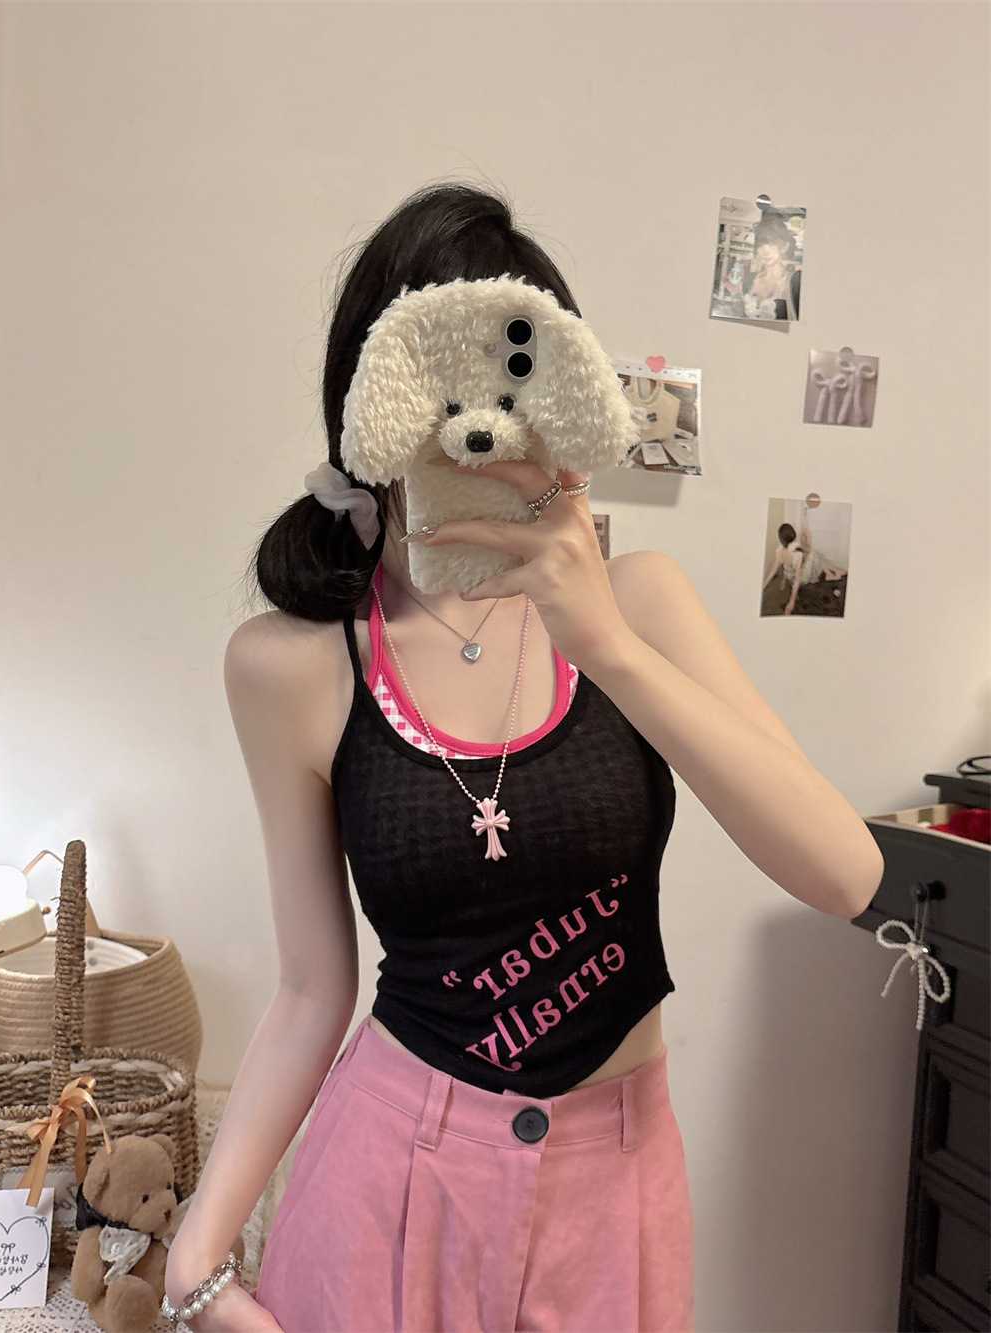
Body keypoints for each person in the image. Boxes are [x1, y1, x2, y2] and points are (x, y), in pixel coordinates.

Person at [163, 182, 884, 1333]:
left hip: (616, 1189)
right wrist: (196, 1254)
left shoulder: (640, 604)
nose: (479, 425)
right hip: (392, 1180)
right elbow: (311, 988)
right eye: (437, 383)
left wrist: (607, 646)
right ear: (370, 404)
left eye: (519, 372)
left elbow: (844, 873)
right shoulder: (292, 665)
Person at [763, 509, 848, 616]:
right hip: (802, 578)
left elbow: (773, 570)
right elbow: (798, 579)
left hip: (789, 574)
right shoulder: (797, 556)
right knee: (813, 554)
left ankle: (831, 573)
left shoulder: (779, 550)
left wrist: (763, 585)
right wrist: (791, 601)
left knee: (812, 554)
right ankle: (833, 572)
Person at [742, 211, 801, 321]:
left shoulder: (794, 281)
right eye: (760, 245)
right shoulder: (752, 278)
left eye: (772, 244)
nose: (766, 252)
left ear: (784, 247)